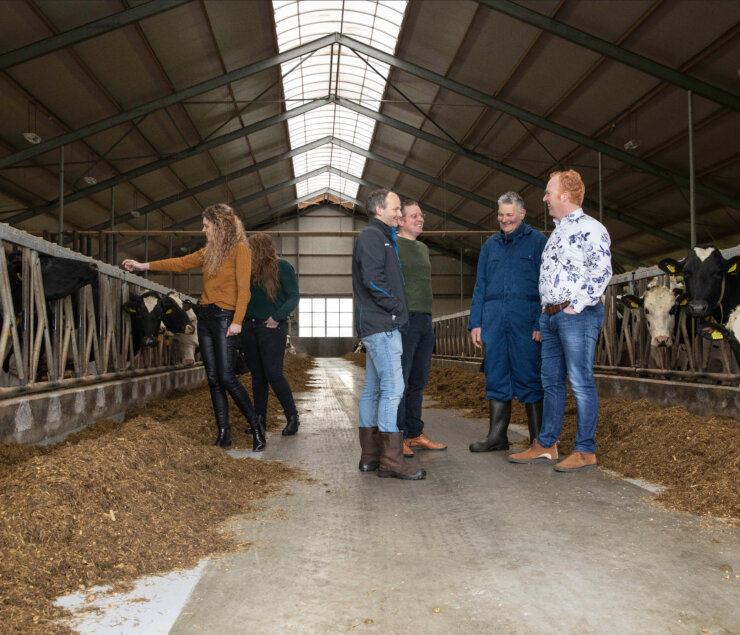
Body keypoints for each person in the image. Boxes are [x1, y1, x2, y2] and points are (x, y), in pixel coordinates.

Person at [122, 203, 263, 451]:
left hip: (224, 318)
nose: (203, 230)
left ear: (220, 226)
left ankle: (257, 427)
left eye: (206, 225)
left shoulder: (240, 250)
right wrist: (144, 266)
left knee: (228, 377)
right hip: (206, 317)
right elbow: (180, 262)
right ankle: (224, 433)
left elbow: (245, 291)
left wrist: (238, 321)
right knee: (212, 378)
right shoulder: (210, 252)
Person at [509, 170, 612, 472]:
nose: (544, 198)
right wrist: (546, 313)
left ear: (565, 196)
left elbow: (602, 272)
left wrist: (575, 306)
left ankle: (585, 449)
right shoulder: (557, 233)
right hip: (551, 316)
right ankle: (547, 444)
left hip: (575, 315)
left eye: (548, 193)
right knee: (550, 382)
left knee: (580, 381)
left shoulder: (592, 229)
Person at [352, 189, 425, 481]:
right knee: (394, 388)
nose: (400, 213)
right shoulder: (373, 237)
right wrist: (397, 309)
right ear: (380, 209)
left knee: (372, 389)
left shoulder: (381, 237)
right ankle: (391, 460)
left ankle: (370, 456)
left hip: (377, 324)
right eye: (396, 209)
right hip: (382, 325)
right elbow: (373, 280)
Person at [468, 192, 547, 453]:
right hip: (494, 323)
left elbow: (546, 286)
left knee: (529, 376)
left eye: (509, 215)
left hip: (525, 322)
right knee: (496, 375)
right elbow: (480, 285)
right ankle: (497, 437)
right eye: (500, 215)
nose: (504, 220)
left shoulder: (537, 243)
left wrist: (540, 322)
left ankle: (538, 440)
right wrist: (476, 323)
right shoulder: (490, 245)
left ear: (522, 214)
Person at [395, 200, 447, 456]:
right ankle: (398, 436)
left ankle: (414, 433)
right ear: (400, 221)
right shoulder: (393, 245)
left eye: (421, 215)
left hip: (426, 319)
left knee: (418, 379)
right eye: (414, 216)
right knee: (401, 380)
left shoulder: (423, 248)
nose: (420, 219)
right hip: (406, 319)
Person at [242, 232, 300, 437]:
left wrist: (277, 317)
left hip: (271, 327)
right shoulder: (249, 271)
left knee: (273, 374)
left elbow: (294, 296)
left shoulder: (281, 267)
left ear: (260, 249)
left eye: (251, 248)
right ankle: (259, 421)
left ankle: (292, 417)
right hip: (248, 327)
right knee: (257, 376)